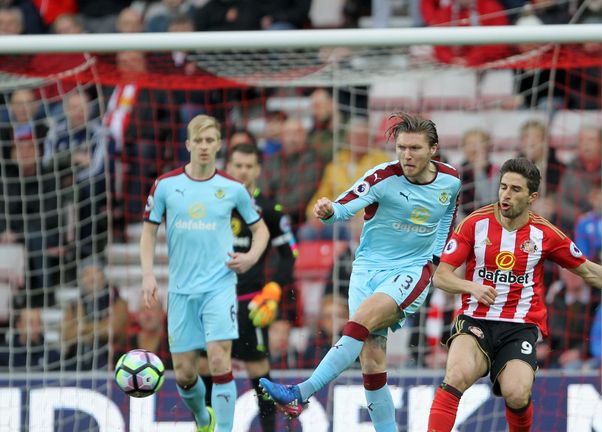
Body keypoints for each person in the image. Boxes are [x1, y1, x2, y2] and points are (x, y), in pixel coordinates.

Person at [426, 157, 602, 432]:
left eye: (515, 189)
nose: (506, 195)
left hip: (520, 328)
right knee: (456, 375)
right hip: (476, 320)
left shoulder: (545, 233)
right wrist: (472, 287)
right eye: (503, 187)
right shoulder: (475, 224)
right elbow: (441, 276)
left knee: (517, 392)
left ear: (532, 196)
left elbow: (589, 271)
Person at [260, 112, 461, 431]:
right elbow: (343, 207)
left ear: (433, 150)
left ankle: (300, 393)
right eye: (401, 148)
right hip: (366, 268)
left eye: (415, 149)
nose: (407, 155)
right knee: (371, 357)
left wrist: (434, 258)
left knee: (360, 322)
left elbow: (448, 215)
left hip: (411, 269)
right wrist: (328, 211)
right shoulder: (382, 177)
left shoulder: (450, 181)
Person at [140, 114, 270, 432]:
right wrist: (147, 274)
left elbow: (261, 230)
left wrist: (251, 257)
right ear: (188, 144)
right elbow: (148, 232)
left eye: (210, 140)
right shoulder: (166, 186)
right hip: (182, 291)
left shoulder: (233, 188)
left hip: (220, 287)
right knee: (184, 373)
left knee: (218, 360)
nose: (203, 146)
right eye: (198, 140)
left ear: (219, 145)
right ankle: (203, 417)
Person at [198, 141, 297, 432]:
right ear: (227, 167)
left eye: (249, 166)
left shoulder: (270, 209)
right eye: (238, 165)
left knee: (259, 373)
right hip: (212, 300)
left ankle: (269, 429)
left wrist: (274, 289)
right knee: (205, 367)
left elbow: (290, 254)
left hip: (250, 302)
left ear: (258, 169)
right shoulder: (208, 205)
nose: (243, 171)